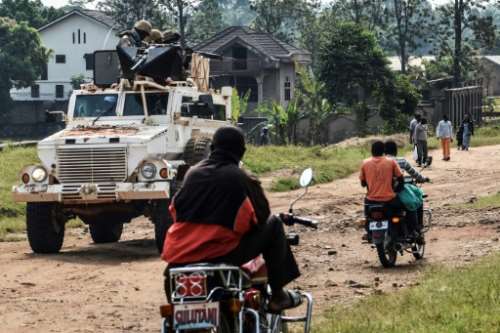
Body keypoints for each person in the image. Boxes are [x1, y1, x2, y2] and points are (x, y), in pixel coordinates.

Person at [162, 126, 301, 312]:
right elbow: (261, 217)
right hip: (222, 252)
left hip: (181, 254)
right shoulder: (240, 177)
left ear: (211, 148)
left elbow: (175, 211)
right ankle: (278, 295)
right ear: (242, 152)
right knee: (274, 223)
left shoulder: (192, 174)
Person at [360, 141, 418, 240]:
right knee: (407, 207)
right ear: (383, 151)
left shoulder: (365, 163)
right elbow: (401, 179)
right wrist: (397, 190)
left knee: (368, 216)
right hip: (389, 199)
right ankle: (411, 231)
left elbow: (363, 183)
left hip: (371, 200)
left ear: (371, 151)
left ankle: (369, 233)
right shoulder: (390, 162)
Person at [385, 140, 429, 236]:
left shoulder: (378, 163)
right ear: (396, 151)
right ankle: (416, 228)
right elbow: (414, 173)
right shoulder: (401, 161)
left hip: (379, 194)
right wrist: (422, 179)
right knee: (415, 201)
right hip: (396, 193)